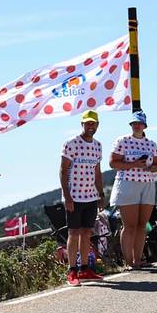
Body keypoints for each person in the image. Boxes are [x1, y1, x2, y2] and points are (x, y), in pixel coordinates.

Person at [109, 110, 157, 269]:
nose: (137, 126)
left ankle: (138, 259)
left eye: (139, 123)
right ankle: (129, 261)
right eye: (134, 123)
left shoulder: (151, 144)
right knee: (129, 225)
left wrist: (149, 167)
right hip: (127, 183)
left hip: (146, 184)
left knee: (142, 224)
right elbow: (113, 163)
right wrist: (133, 164)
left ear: (144, 125)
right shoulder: (122, 140)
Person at [60, 110, 106, 286]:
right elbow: (63, 170)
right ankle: (72, 271)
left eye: (93, 123)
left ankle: (85, 268)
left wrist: (101, 194)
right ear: (82, 124)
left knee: (87, 232)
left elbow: (97, 172)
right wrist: (67, 196)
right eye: (87, 123)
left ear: (97, 125)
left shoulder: (98, 145)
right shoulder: (71, 143)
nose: (90, 126)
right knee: (73, 232)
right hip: (74, 195)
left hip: (90, 196)